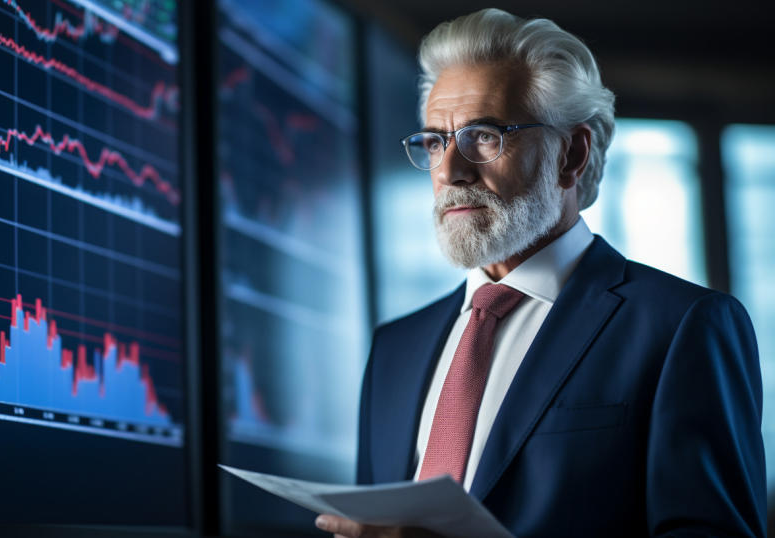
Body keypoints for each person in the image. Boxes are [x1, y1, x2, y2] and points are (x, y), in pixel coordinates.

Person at [315, 8, 765, 538]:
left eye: (483, 136)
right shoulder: (396, 347)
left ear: (571, 154)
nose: (450, 171)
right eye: (435, 141)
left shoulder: (683, 326)